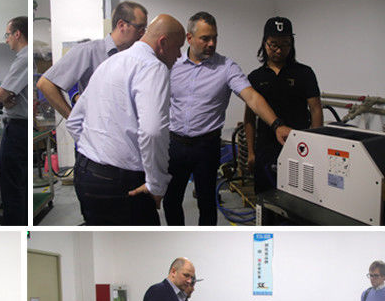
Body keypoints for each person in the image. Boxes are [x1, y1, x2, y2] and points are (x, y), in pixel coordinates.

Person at [164, 12, 292, 226]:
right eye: (205, 38)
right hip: (175, 144)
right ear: (189, 38)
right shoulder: (172, 64)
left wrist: (277, 124)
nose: (211, 43)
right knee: (171, 200)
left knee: (207, 203)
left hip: (206, 147)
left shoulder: (226, 67)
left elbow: (252, 97)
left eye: (215, 38)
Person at [66, 15, 185, 226]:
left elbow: (74, 121)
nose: (179, 55)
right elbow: (153, 132)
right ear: (163, 42)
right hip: (121, 184)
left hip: (85, 175)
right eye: (178, 47)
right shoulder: (153, 67)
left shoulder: (109, 63)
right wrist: (156, 184)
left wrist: (96, 151)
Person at [244, 17, 322, 193]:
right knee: (266, 197)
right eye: (274, 44)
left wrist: (315, 145)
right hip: (266, 148)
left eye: (285, 44)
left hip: (299, 147)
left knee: (299, 196)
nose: (279, 50)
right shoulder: (255, 77)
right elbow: (249, 117)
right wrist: (251, 152)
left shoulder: (304, 73)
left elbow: (316, 109)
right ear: (265, 43)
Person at [36, 1, 148, 120]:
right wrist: (73, 120)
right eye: (140, 29)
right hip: (98, 129)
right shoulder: (88, 51)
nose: (143, 34)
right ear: (122, 25)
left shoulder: (136, 57)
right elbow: (45, 84)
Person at [0, 16, 28, 226]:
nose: (7, 39)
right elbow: (6, 97)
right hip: (19, 127)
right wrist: (7, 98)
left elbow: (0, 95)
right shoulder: (23, 58)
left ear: (17, 34)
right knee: (18, 185)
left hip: (17, 130)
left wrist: (4, 97)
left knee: (12, 188)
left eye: (8, 35)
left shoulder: (23, 59)